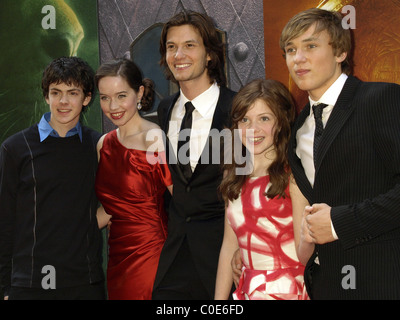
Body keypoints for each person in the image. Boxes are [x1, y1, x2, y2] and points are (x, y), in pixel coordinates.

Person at [280, 8, 400, 299]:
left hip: (382, 280)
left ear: (340, 53)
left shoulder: (382, 99)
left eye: (311, 46)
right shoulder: (299, 128)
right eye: (290, 49)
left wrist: (337, 223)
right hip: (327, 283)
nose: (298, 59)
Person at [0, 56, 105, 300]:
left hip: (85, 283)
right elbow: (4, 221)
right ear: (46, 96)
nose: (63, 101)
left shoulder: (98, 146)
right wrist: (5, 287)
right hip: (29, 285)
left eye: (73, 92)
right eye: (56, 92)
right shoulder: (15, 148)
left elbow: (118, 201)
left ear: (87, 98)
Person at [152, 10, 236, 300]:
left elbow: (248, 188)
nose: (179, 54)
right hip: (175, 257)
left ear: (210, 54)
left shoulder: (237, 109)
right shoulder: (165, 110)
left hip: (223, 260)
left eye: (190, 45)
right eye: (172, 47)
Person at [214, 79, 309, 300]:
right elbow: (229, 245)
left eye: (264, 119)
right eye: (244, 119)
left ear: (282, 121)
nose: (252, 129)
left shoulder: (292, 176)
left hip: (288, 290)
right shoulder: (233, 174)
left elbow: (304, 253)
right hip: (247, 289)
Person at [94, 58, 173, 300]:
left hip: (152, 253)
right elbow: (111, 209)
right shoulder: (104, 144)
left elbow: (181, 200)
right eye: (105, 97)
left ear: (139, 93)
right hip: (117, 256)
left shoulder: (154, 138)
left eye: (121, 95)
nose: (112, 106)